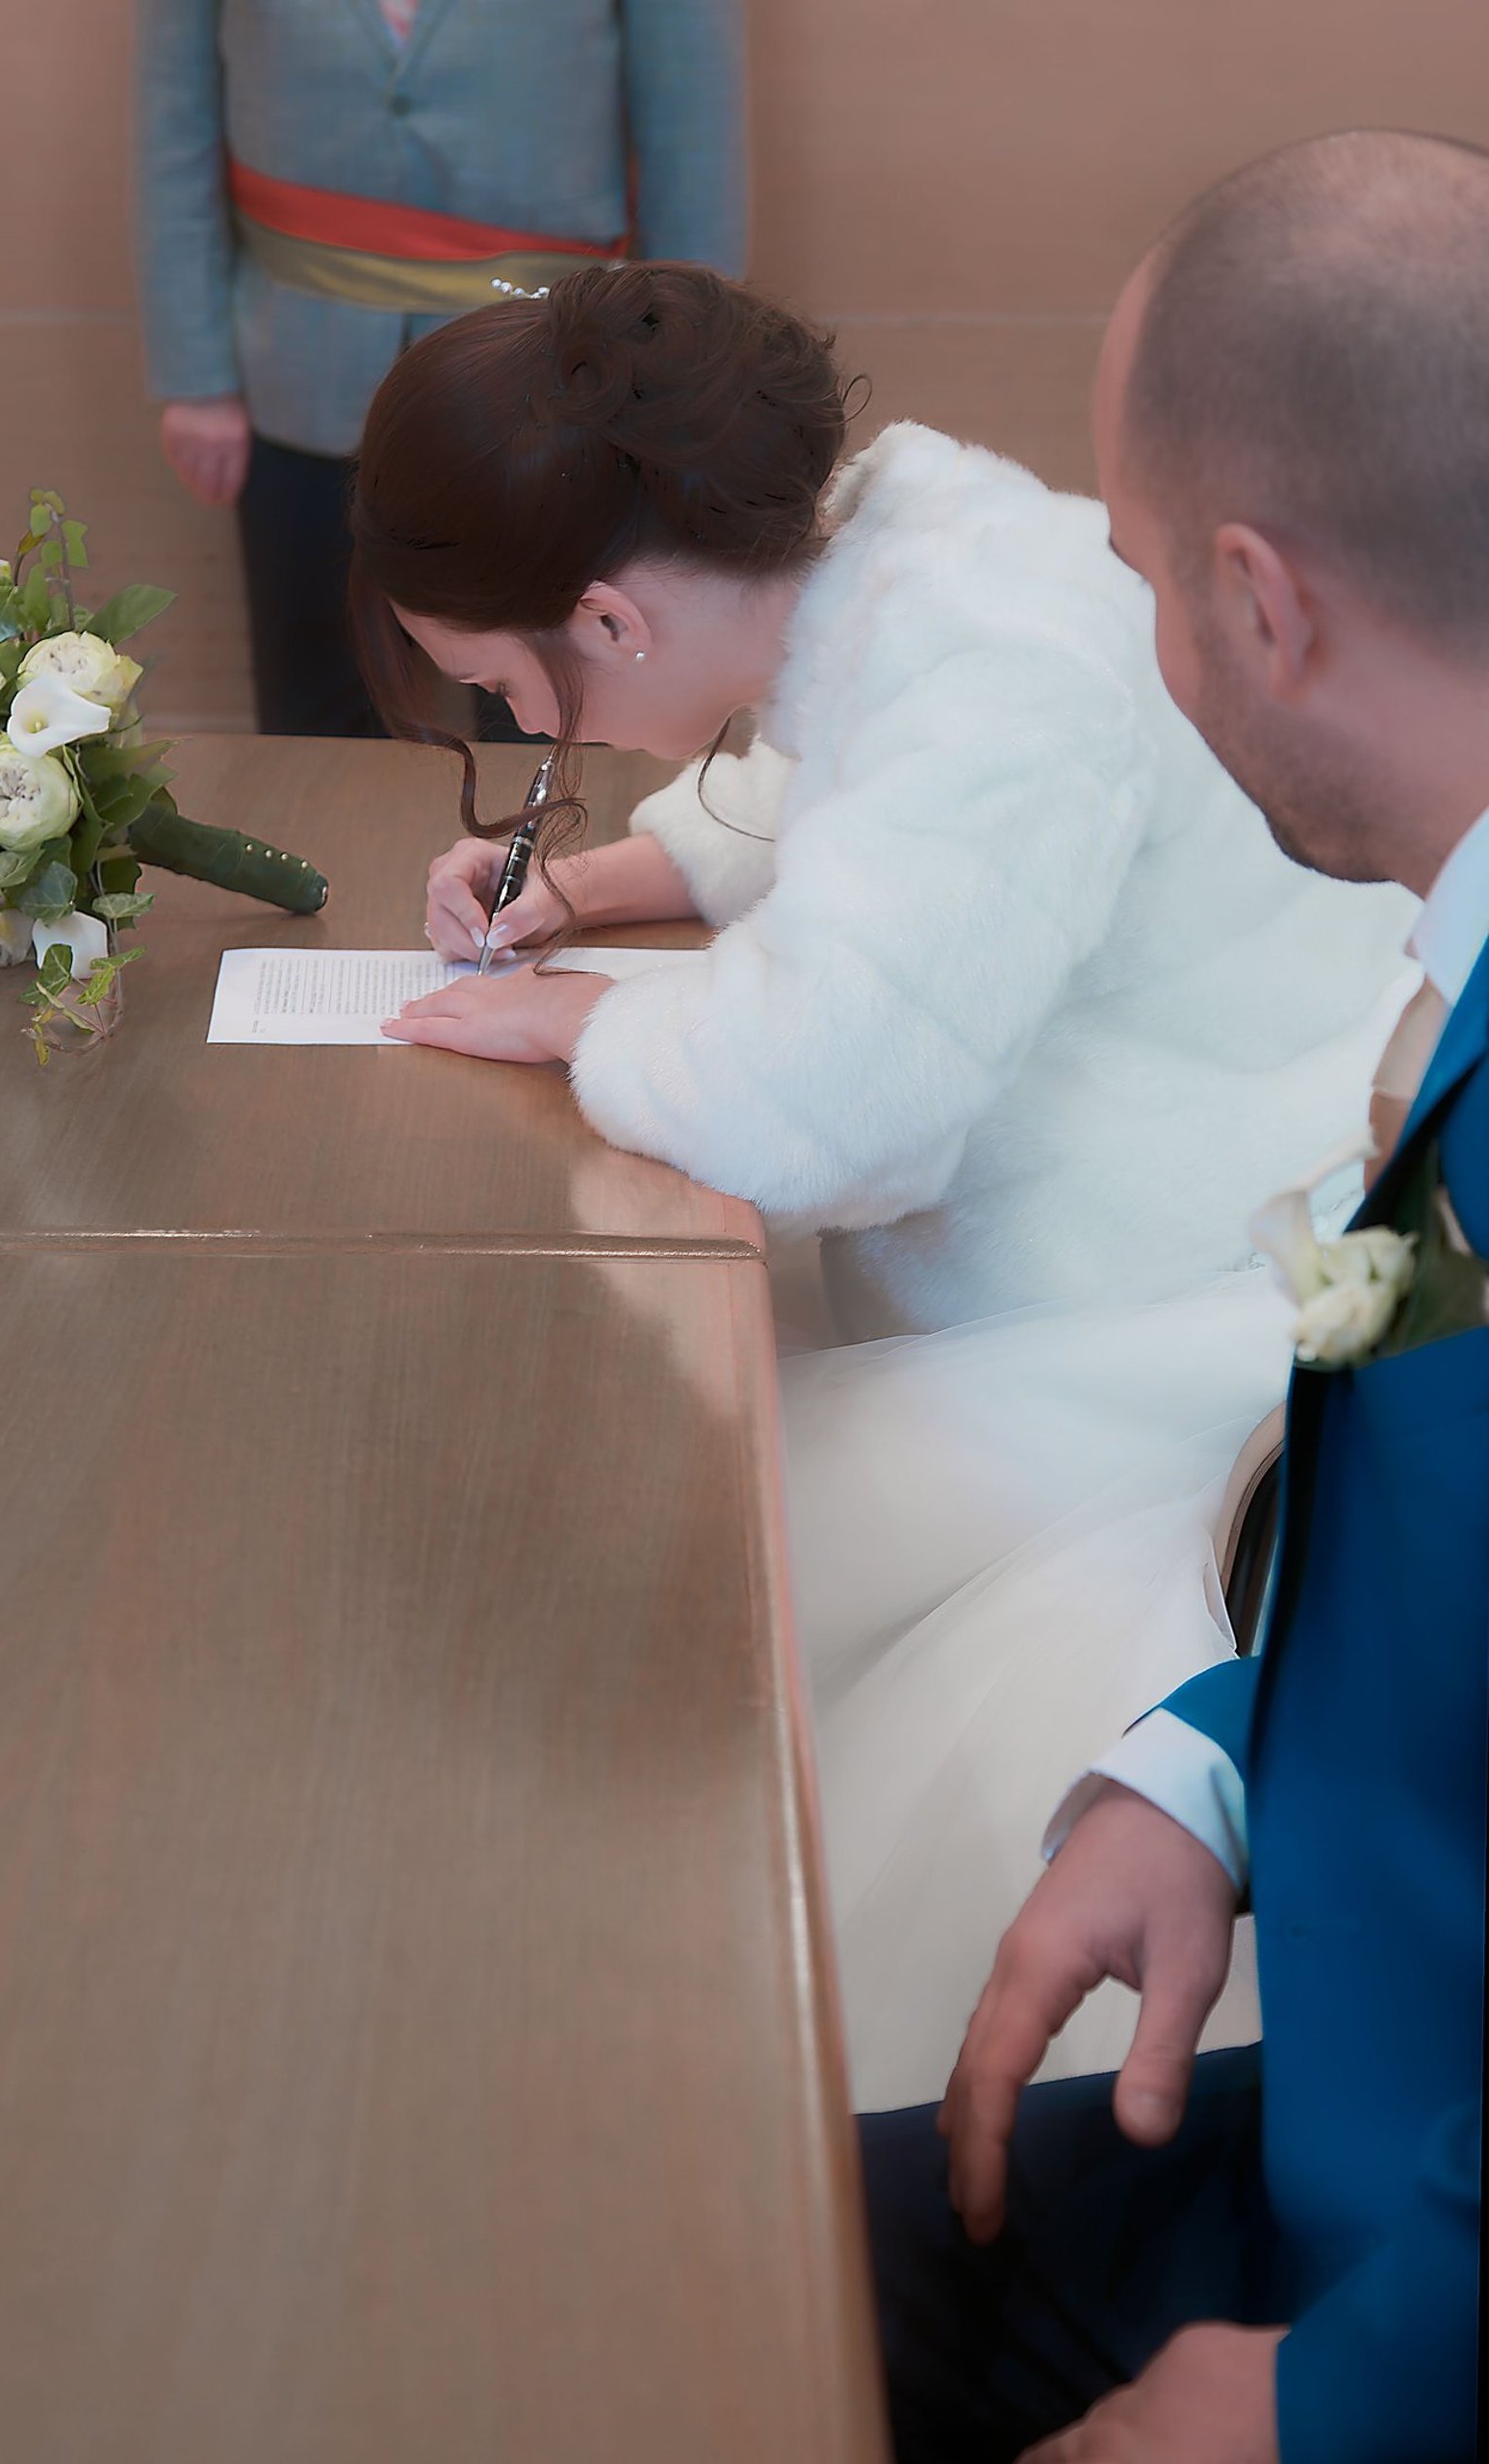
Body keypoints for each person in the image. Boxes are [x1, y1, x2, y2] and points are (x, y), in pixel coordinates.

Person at [351, 262, 1414, 2097]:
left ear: (607, 611)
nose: (547, 750)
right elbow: (834, 811)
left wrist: (583, 1025)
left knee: (682, 1560)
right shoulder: (900, 543)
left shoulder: (990, 658)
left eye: (511, 695)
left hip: (1225, 1288)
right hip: (1149, 1224)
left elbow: (835, 1104)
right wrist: (602, 888)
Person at [860, 130, 1487, 2464]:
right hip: (1327, 2078)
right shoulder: (1454, 975)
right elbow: (1391, 1413)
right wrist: (1211, 1755)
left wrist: (1358, 2389)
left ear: (1258, 595)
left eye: (1136, 575)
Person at [134, 0, 745, 735]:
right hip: (297, 365)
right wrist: (196, 376)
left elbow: (693, 138)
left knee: (554, 714)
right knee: (316, 711)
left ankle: (545, 858)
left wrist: (687, 383)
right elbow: (174, 127)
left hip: (561, 381)